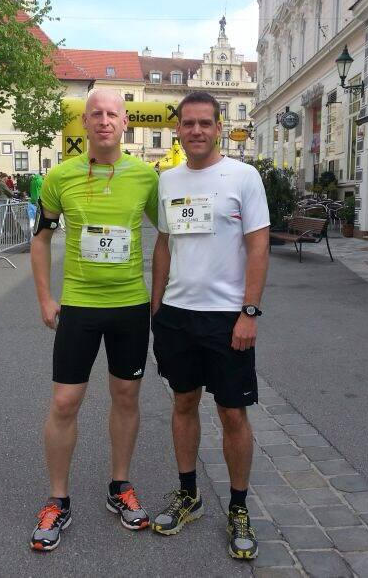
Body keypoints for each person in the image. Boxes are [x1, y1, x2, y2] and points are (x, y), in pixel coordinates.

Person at [29, 90, 159, 552]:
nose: (104, 121)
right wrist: (45, 298)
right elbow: (40, 239)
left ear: (125, 122)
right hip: (79, 307)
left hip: (129, 306)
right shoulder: (60, 176)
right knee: (65, 402)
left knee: (126, 397)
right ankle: (58, 500)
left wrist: (161, 296)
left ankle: (119, 487)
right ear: (84, 123)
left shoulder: (146, 176)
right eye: (96, 114)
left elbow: (169, 235)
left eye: (112, 114)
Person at [150, 91, 270, 560]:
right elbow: (164, 244)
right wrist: (157, 307)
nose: (196, 130)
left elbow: (258, 246)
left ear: (219, 128)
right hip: (177, 315)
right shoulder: (167, 180)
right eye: (188, 123)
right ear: (178, 129)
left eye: (205, 123)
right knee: (183, 403)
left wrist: (249, 312)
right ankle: (189, 495)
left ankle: (238, 507)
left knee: (232, 413)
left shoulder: (243, 176)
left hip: (227, 318)